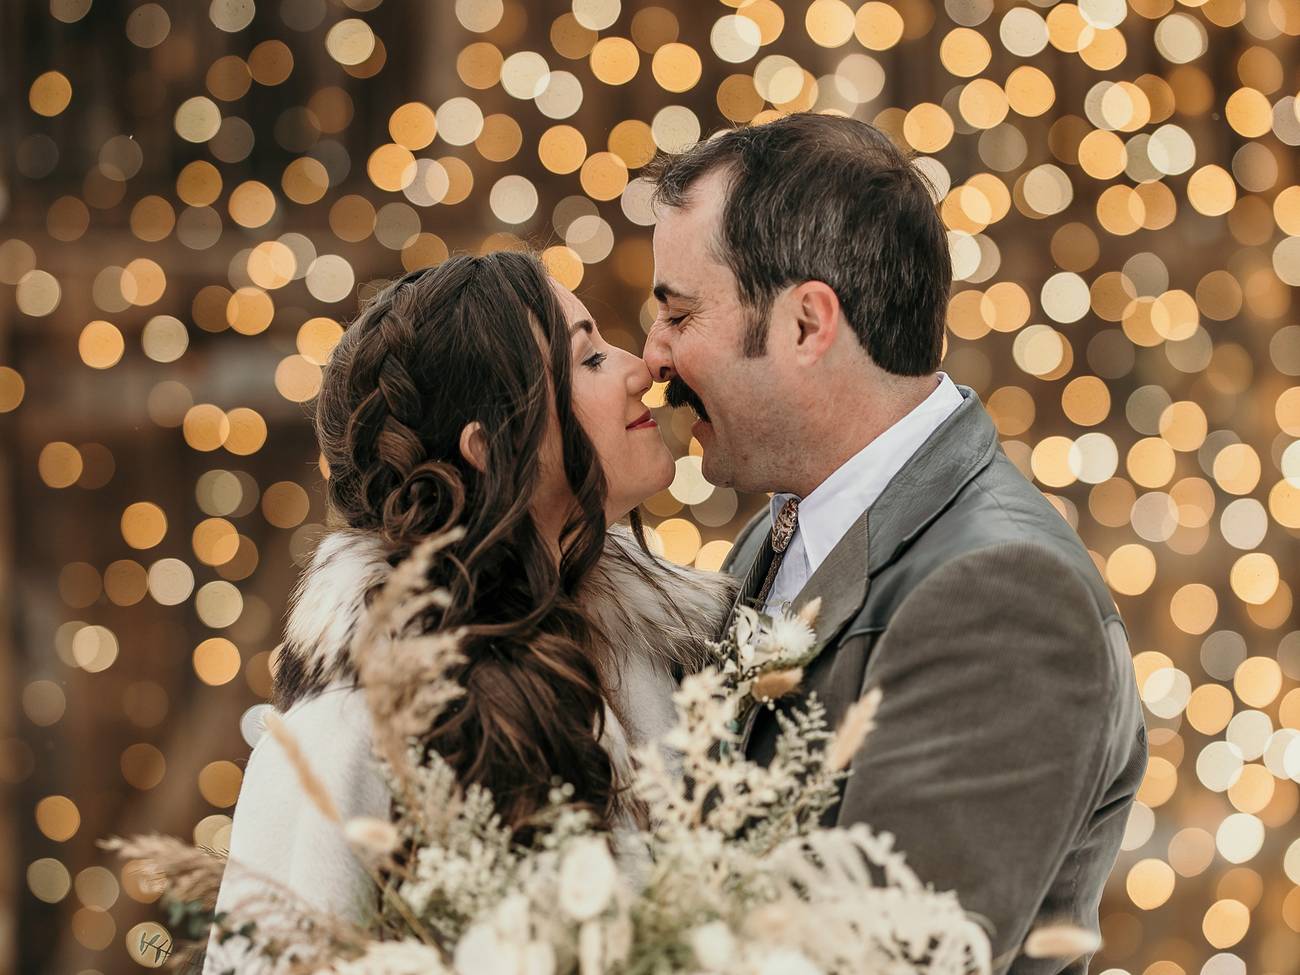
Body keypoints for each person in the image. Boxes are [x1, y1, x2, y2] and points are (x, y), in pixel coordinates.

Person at [641, 113, 1148, 975]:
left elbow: (883, 959)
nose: (652, 356)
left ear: (807, 323)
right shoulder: (777, 532)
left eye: (680, 315)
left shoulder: (1001, 593)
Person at [203, 252, 735, 972]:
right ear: (492, 447)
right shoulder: (352, 734)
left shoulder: (677, 652)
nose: (639, 366)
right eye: (587, 359)